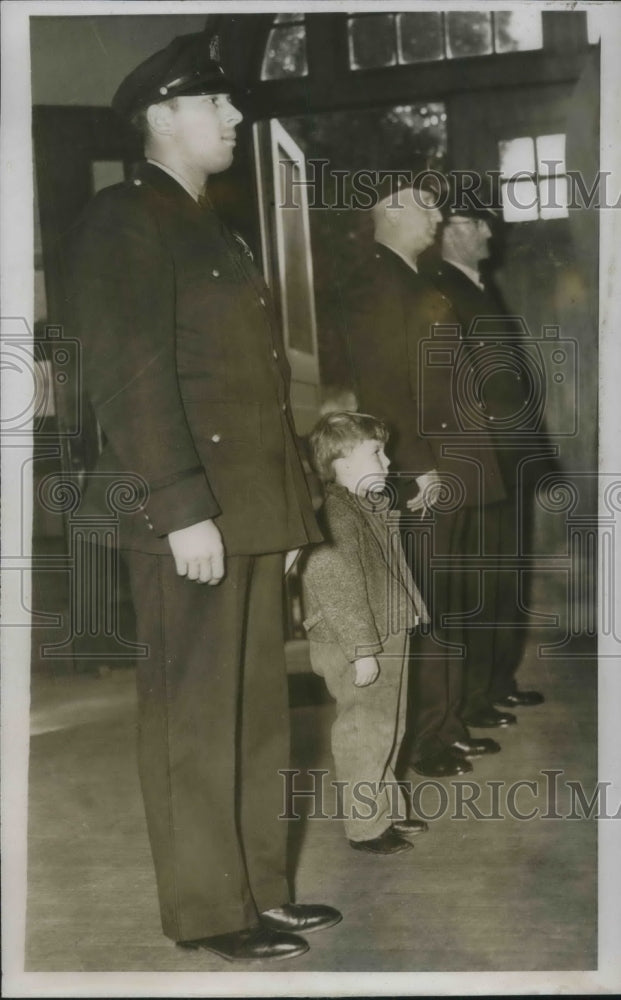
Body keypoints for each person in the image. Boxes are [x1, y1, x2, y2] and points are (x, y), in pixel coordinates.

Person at [64, 32, 341, 962]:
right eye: (212, 104)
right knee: (193, 713)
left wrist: (286, 512)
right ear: (160, 117)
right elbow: (131, 378)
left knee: (257, 711)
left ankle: (258, 886)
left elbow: (254, 385)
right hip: (188, 510)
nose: (233, 117)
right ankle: (208, 908)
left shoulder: (210, 224)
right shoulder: (124, 217)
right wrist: (181, 507)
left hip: (247, 507)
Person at [343, 182, 509, 780]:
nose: (437, 217)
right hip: (426, 471)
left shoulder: (416, 281)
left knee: (450, 603)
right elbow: (385, 390)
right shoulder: (376, 283)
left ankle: (446, 723)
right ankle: (425, 740)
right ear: (389, 211)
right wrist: (415, 468)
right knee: (429, 607)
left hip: (455, 466)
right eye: (425, 205)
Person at [422, 203, 548, 714]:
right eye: (478, 223)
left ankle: (497, 682)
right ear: (450, 231)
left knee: (508, 577)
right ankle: (473, 698)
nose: (490, 232)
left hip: (510, 458)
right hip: (480, 461)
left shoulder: (477, 285)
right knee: (482, 579)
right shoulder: (437, 287)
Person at [302, 412, 429, 854]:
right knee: (363, 729)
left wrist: (409, 613)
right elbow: (335, 585)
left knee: (387, 727)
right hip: (357, 641)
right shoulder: (336, 514)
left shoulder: (364, 506)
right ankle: (365, 827)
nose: (389, 461)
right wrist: (361, 651)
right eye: (377, 452)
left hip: (385, 631)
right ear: (341, 461)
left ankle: (386, 811)